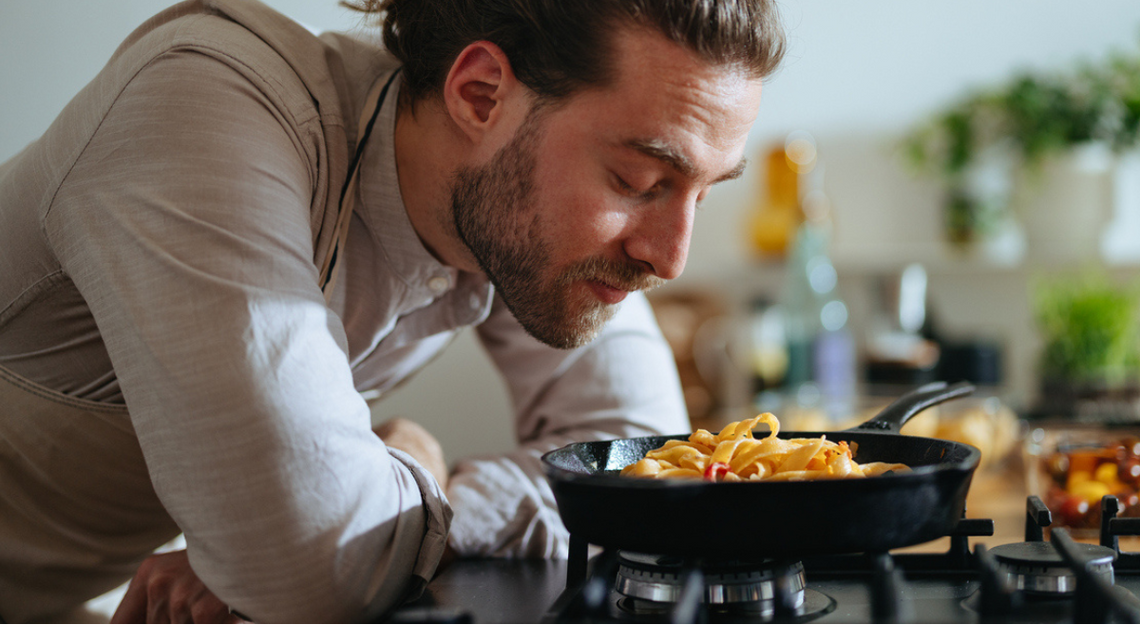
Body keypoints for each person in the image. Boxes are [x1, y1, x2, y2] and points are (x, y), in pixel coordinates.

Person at [0, 0, 784, 624]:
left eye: (702, 193)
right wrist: (402, 464)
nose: (669, 256)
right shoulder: (202, 108)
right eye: (640, 179)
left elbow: (648, 476)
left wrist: (415, 484)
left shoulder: (503, 220)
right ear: (482, 94)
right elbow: (307, 560)